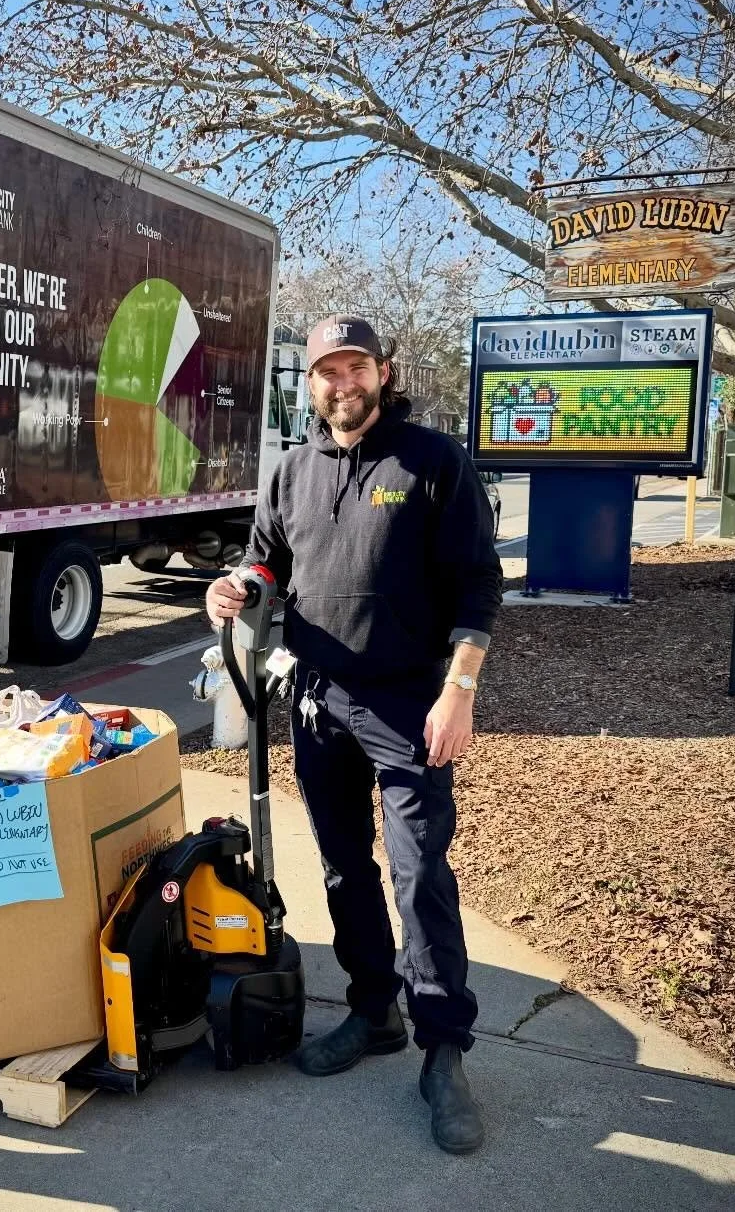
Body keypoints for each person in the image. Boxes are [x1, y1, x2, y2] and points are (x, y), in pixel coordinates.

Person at [207, 315, 501, 1155]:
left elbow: (479, 584)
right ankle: (374, 1012)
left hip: (409, 704)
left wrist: (459, 692)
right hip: (317, 699)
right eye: (327, 372)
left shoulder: (432, 461)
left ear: (383, 372)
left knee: (419, 873)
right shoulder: (292, 471)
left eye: (356, 368)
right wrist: (236, 586)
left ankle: (442, 1051)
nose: (343, 384)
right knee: (343, 866)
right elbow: (267, 559)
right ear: (310, 383)